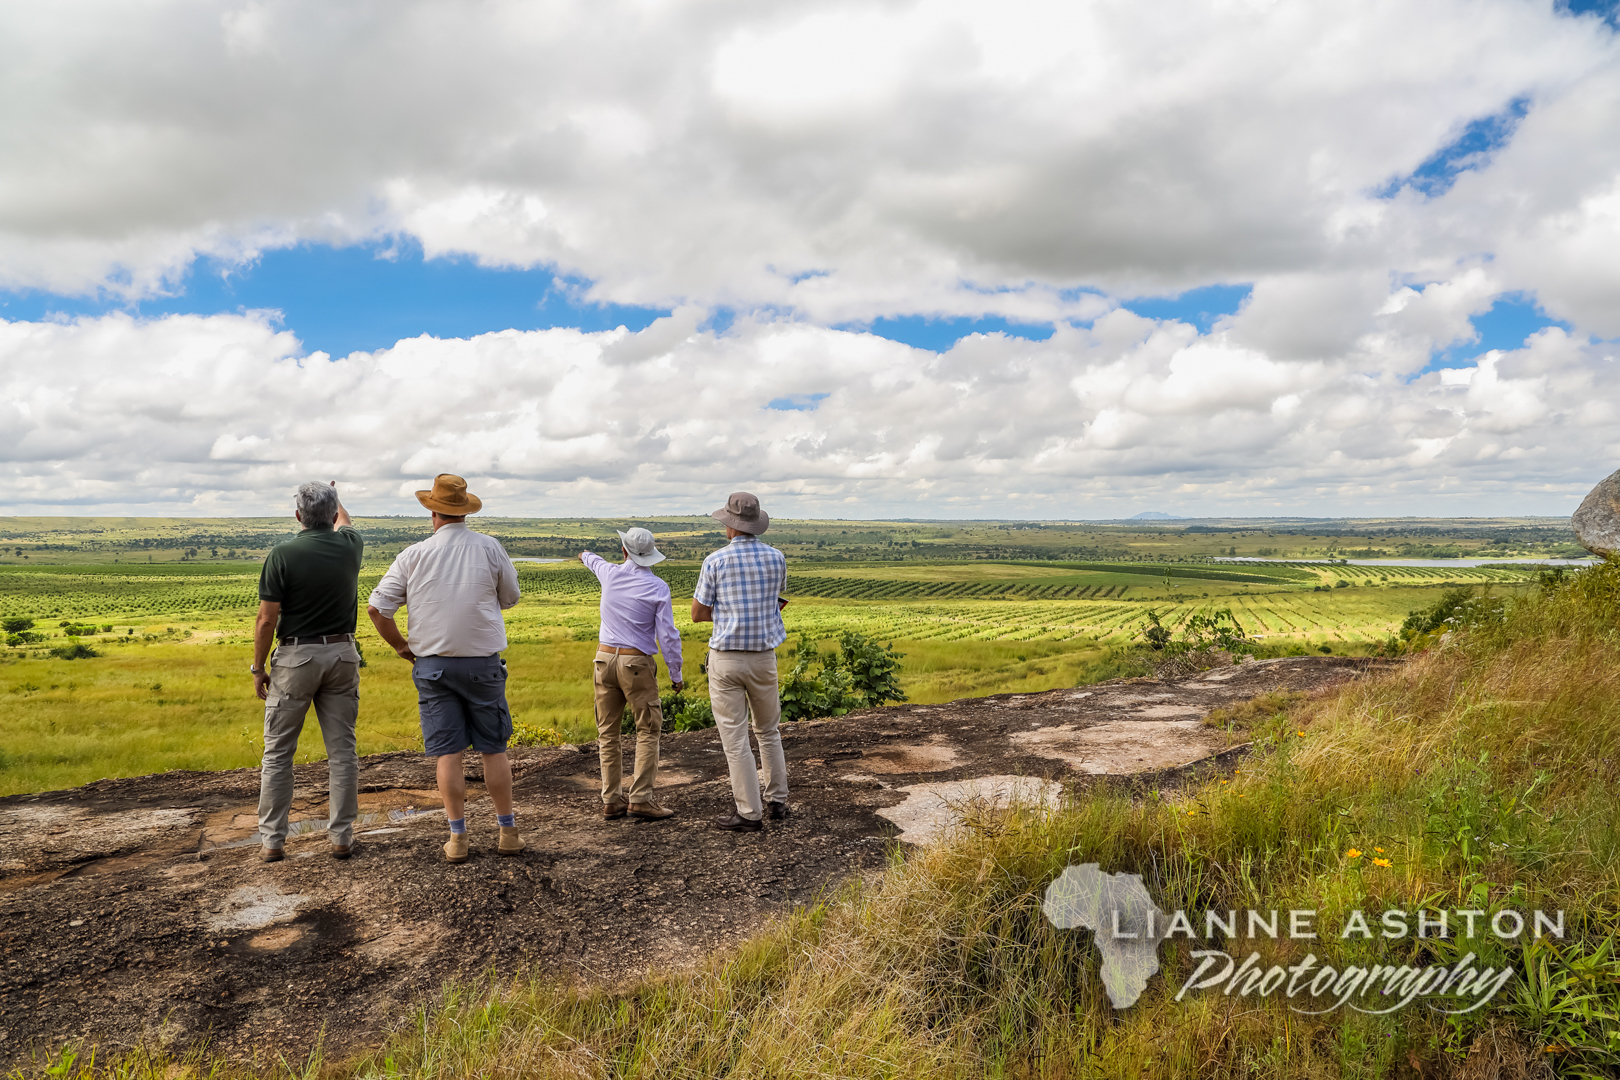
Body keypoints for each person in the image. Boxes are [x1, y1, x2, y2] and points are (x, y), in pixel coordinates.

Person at [366, 474, 524, 864]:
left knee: (448, 753)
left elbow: (377, 609)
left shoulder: (413, 554)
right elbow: (510, 597)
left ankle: (457, 838)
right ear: (465, 512)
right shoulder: (489, 547)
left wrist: (402, 646)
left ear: (433, 513)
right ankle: (507, 833)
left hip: (432, 666)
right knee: (493, 749)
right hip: (483, 663)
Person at [253, 481, 364, 862]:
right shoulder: (350, 545)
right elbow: (345, 520)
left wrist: (257, 668)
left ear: (298, 515)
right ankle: (341, 838)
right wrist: (336, 497)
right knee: (343, 752)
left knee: (278, 753)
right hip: (343, 654)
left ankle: (272, 841)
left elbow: (266, 620)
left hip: (295, 658)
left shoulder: (282, 554)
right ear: (332, 515)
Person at [692, 491, 790, 832]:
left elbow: (698, 613)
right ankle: (777, 800)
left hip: (727, 659)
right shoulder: (777, 558)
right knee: (768, 731)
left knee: (735, 740)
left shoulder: (715, 561)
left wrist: (727, 615)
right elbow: (774, 600)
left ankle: (749, 813)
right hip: (764, 657)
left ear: (730, 525)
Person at [580, 528, 685, 821]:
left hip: (603, 660)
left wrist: (584, 554)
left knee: (607, 733)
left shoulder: (609, 573)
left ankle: (611, 799)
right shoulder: (658, 587)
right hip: (636, 663)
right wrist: (675, 673)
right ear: (650, 555)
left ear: (624, 551)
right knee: (648, 730)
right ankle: (640, 798)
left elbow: (589, 557)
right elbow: (668, 635)